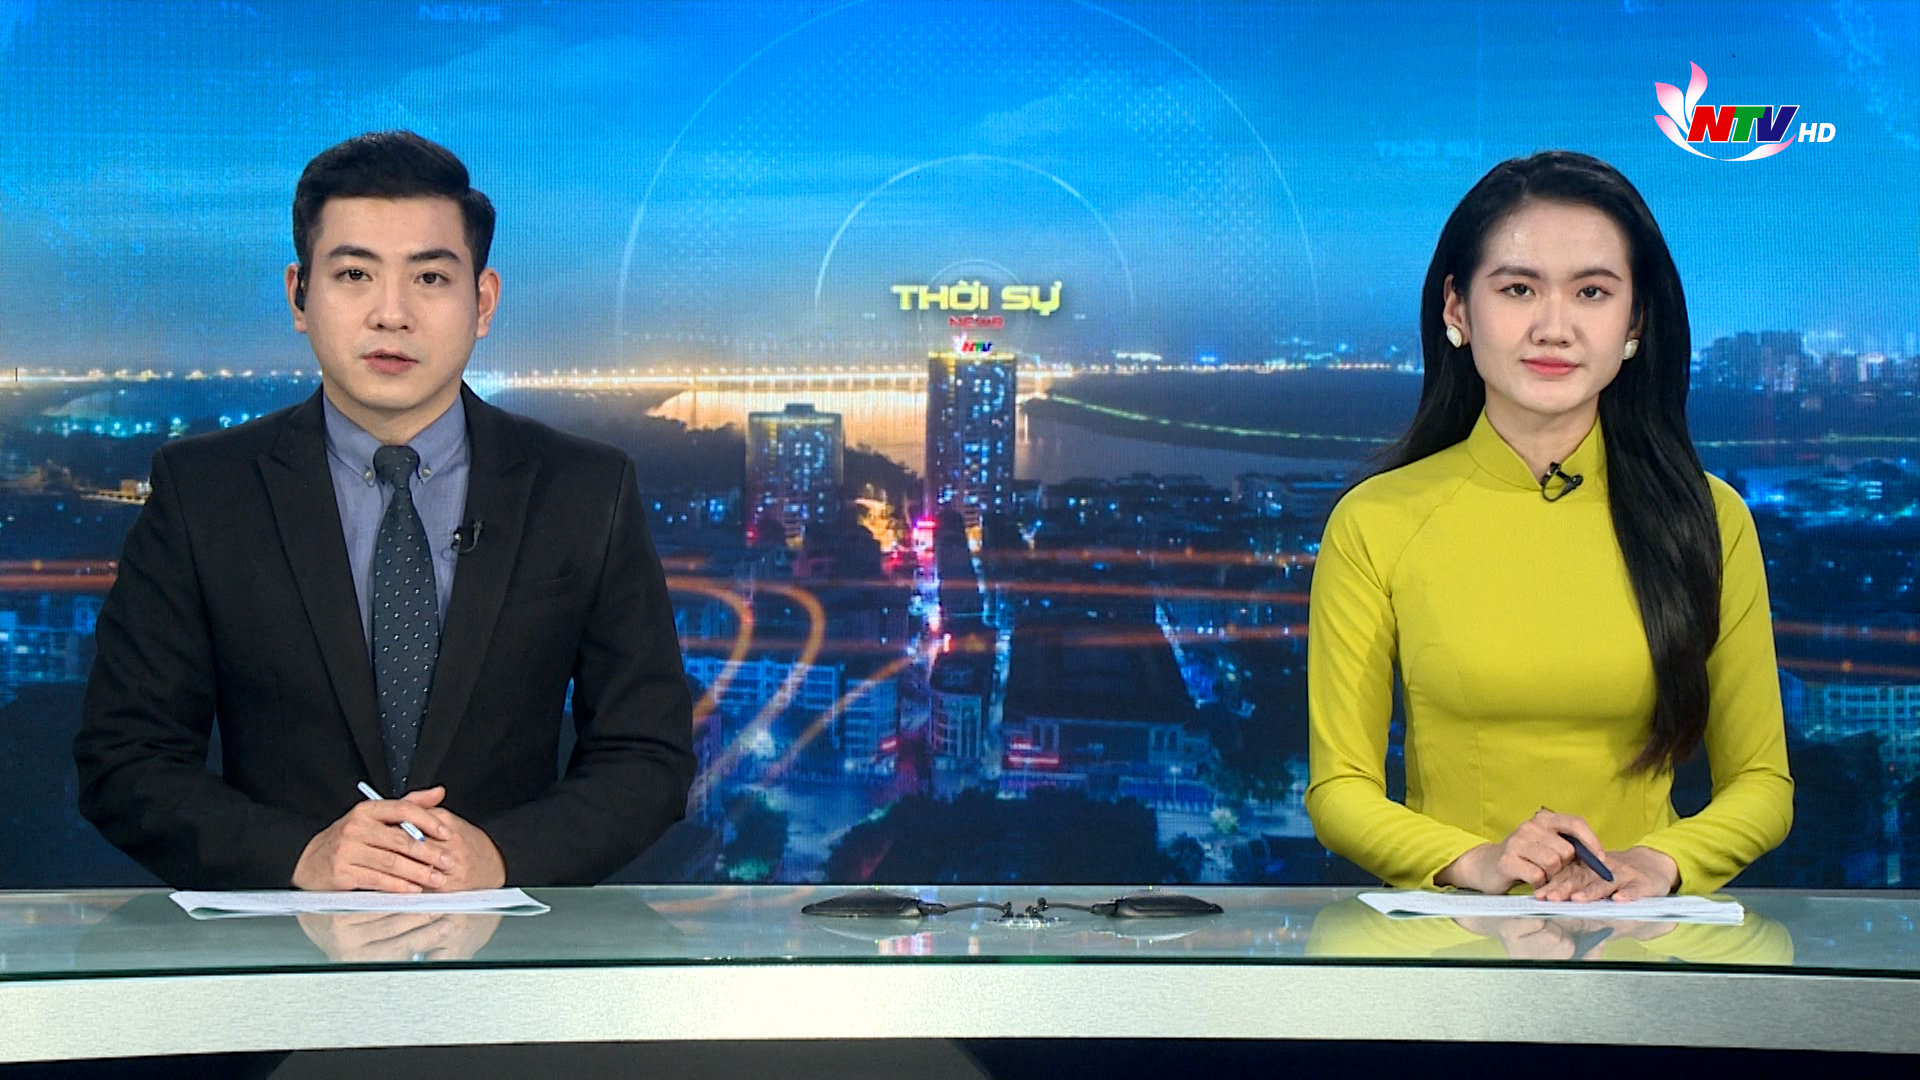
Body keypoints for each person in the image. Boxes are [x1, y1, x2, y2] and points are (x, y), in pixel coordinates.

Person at [75, 131, 696, 891]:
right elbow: (125, 760)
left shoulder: (586, 490)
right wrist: (300, 856)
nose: (391, 313)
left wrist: (500, 858)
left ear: (483, 302)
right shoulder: (204, 492)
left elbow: (647, 757)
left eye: (430, 277)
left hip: (512, 945)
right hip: (282, 946)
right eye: (354, 274)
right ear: (299, 295)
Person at [1305, 151, 1792, 900]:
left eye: (1592, 292)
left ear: (1635, 319)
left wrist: (1660, 862)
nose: (1554, 327)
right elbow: (1340, 788)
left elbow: (1762, 784)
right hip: (1455, 939)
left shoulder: (1708, 517)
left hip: (1642, 939)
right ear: (1457, 309)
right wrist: (1474, 861)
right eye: (1518, 289)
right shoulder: (1375, 522)